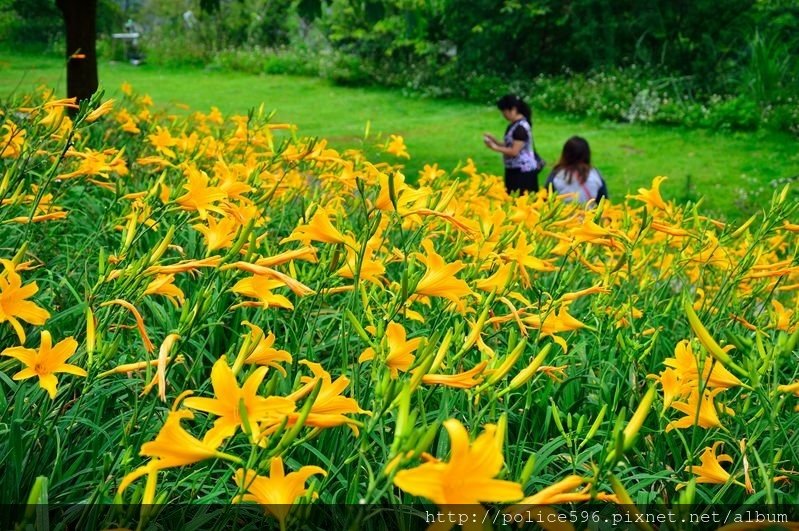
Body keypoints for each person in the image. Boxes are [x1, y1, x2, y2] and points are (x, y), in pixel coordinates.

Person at [483, 94, 541, 195]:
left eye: (504, 111)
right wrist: (494, 140)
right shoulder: (513, 125)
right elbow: (508, 144)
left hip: (523, 173)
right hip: (513, 169)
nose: (503, 115)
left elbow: (514, 151)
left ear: (513, 109)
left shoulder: (520, 128)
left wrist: (494, 147)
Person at [545, 136, 608, 205]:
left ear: (565, 154)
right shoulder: (594, 174)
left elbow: (546, 198)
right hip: (590, 214)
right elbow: (603, 200)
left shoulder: (557, 175)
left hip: (563, 214)